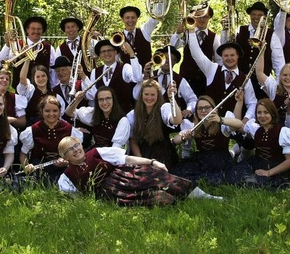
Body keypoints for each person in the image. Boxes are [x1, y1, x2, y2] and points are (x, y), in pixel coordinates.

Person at [57, 136, 223, 206]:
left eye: (76, 145)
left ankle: (206, 197)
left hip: (127, 176)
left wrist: (152, 162)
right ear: (65, 156)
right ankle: (179, 202)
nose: (76, 149)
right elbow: (78, 199)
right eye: (70, 149)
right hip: (112, 194)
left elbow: (127, 159)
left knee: (161, 178)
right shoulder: (66, 178)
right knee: (156, 198)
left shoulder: (97, 152)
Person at [225, 98, 290, 188]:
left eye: (266, 112)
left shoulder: (284, 132)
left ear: (272, 113)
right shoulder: (256, 129)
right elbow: (240, 125)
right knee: (233, 174)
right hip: (258, 162)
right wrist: (221, 120)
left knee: (260, 183)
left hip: (276, 167)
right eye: (259, 113)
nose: (262, 116)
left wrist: (268, 173)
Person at [170, 96, 243, 185]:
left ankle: (233, 152)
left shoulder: (222, 125)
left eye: (207, 107)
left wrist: (220, 119)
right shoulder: (193, 126)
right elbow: (176, 139)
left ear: (214, 108)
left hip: (220, 159)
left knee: (217, 179)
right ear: (196, 112)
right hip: (202, 159)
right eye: (200, 108)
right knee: (179, 174)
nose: (203, 111)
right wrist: (183, 137)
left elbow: (239, 124)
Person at [20, 95, 83, 184]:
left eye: (55, 111)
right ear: (41, 111)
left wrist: (67, 163)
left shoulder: (69, 129)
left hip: (62, 170)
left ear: (60, 111)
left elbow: (78, 155)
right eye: (47, 111)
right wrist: (26, 166)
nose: (51, 114)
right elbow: (23, 153)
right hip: (39, 169)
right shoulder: (33, 130)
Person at [232, 1, 284, 99]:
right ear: (250, 15)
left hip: (261, 85)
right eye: (254, 14)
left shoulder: (271, 35)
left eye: (260, 15)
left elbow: (279, 62)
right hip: (241, 82)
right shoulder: (240, 31)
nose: (256, 17)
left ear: (264, 17)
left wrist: (278, 85)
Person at [128, 79, 181, 170]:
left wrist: (172, 99)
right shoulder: (133, 114)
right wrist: (140, 159)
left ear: (158, 95)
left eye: (153, 95)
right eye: (146, 94)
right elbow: (133, 140)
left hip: (162, 154)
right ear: (141, 95)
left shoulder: (164, 109)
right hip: (141, 153)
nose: (149, 98)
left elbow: (177, 120)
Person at [171, 5, 221, 96]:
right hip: (186, 79)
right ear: (194, 17)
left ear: (209, 18)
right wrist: (178, 33)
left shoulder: (214, 37)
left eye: (205, 17)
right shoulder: (186, 32)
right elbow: (174, 46)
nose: (202, 20)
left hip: (205, 80)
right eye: (199, 16)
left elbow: (219, 60)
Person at [83, 39, 142, 112]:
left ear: (115, 52)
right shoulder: (95, 72)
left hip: (122, 115)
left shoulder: (125, 67)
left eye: (109, 50)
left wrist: (132, 54)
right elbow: (92, 95)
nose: (107, 53)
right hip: (103, 116)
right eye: (103, 51)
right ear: (100, 55)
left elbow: (137, 78)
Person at [0, 16, 57, 89]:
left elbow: (53, 71)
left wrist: (53, 89)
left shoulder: (49, 48)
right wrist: (7, 44)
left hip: (42, 91)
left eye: (39, 29)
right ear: (27, 30)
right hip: (21, 92)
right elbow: (1, 62)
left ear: (42, 31)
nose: (36, 31)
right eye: (33, 28)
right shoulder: (17, 45)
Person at [65, 87, 130, 149]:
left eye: (108, 98)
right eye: (101, 99)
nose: (104, 102)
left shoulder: (123, 120)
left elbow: (116, 148)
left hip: (112, 155)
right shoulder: (93, 113)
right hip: (96, 151)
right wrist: (77, 100)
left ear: (113, 99)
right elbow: (69, 112)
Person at [17, 59, 53, 126]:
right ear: (33, 79)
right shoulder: (30, 91)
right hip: (32, 128)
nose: (41, 79)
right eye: (37, 77)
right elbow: (22, 78)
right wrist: (27, 60)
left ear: (47, 77)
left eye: (43, 76)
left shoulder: (54, 95)